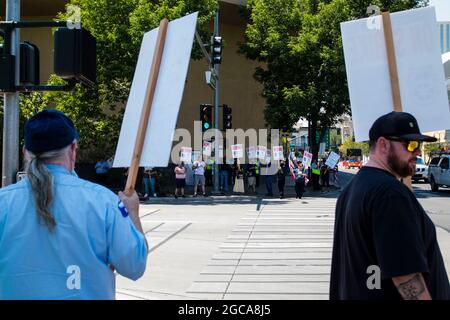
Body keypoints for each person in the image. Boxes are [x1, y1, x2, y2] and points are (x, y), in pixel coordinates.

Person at [0, 110, 148, 299]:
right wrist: (132, 213)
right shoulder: (104, 201)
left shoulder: (3, 203)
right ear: (72, 149)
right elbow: (134, 265)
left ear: (25, 152)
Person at [330, 111, 450, 300]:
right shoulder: (390, 194)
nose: (417, 152)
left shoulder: (351, 189)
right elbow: (405, 274)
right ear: (383, 145)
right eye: (410, 144)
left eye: (418, 145)